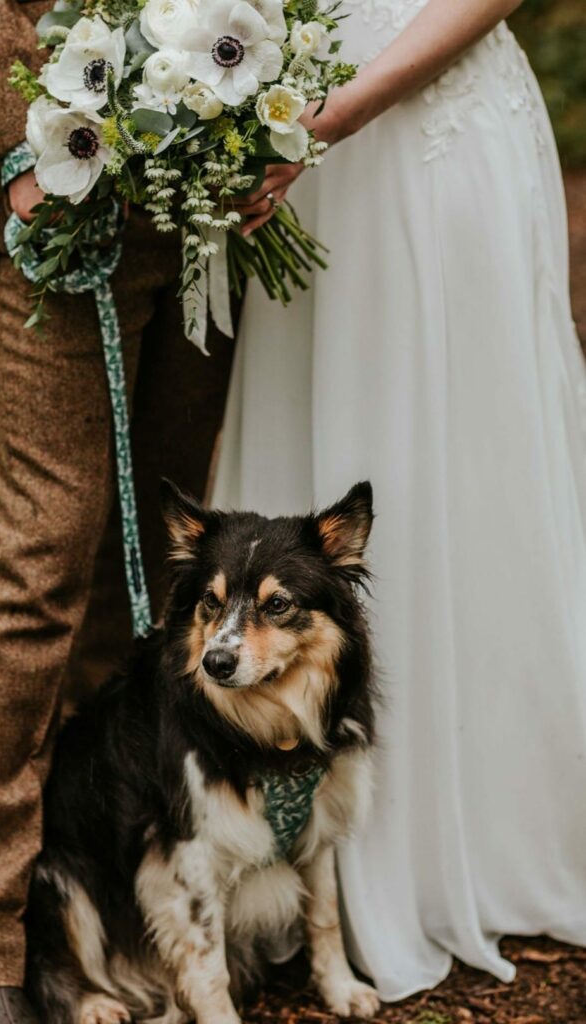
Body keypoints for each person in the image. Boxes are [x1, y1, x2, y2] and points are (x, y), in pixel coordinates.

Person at [218, 0, 586, 1000]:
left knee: (462, 460)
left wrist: (321, 122)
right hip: (302, 152)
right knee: (327, 432)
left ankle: (495, 826)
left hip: (428, 137)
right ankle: (285, 847)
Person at [0, 2, 233, 1022]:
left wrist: (264, 129)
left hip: (205, 183)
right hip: (49, 170)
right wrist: (28, 139)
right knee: (44, 540)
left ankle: (94, 885)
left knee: (160, 543)